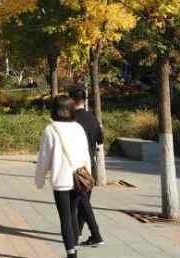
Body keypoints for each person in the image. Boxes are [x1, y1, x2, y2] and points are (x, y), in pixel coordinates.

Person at [35, 95, 91, 258]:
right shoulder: (78, 128)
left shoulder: (50, 130)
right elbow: (85, 154)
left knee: (65, 217)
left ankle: (71, 254)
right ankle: (74, 249)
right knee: (73, 213)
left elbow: (44, 158)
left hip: (61, 179)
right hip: (79, 178)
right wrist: (88, 175)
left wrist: (39, 180)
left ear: (54, 110)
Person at [69, 87, 104, 247]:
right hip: (89, 163)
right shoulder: (92, 118)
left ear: (71, 100)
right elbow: (100, 139)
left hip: (75, 165)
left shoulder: (71, 119)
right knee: (84, 200)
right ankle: (79, 232)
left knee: (81, 201)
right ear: (85, 100)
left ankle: (95, 235)